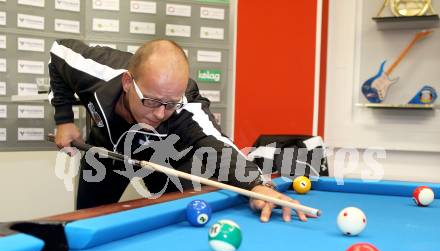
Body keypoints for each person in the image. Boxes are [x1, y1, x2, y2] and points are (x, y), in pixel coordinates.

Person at [49, 38, 316, 223]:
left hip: (162, 161)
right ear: (129, 82)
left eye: (170, 104)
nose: (160, 113)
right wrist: (64, 119)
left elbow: (216, 142)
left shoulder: (185, 104)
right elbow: (58, 51)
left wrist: (258, 185)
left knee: (180, 218)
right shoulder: (96, 70)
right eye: (151, 101)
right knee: (85, 221)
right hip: (106, 152)